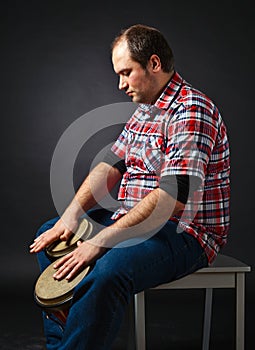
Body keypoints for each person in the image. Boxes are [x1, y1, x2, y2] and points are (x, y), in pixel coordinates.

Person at [30, 24, 230, 350]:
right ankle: (62, 346)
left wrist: (102, 241)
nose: (120, 84)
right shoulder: (145, 110)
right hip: (135, 221)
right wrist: (70, 217)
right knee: (53, 234)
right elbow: (109, 168)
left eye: (126, 73)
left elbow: (172, 200)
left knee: (109, 269)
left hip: (183, 233)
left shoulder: (192, 111)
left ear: (154, 63)